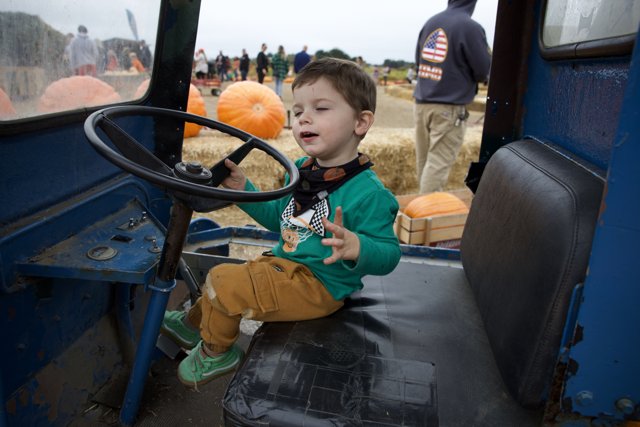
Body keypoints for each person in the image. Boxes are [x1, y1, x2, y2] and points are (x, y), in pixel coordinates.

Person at [160, 57, 401, 387]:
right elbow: (280, 219)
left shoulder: (368, 193)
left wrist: (357, 246)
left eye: (321, 108)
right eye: (299, 110)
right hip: (284, 264)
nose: (304, 118)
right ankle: (191, 325)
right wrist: (244, 189)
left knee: (222, 280)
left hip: (317, 285)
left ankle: (217, 352)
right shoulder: (305, 170)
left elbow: (390, 254)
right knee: (230, 278)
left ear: (360, 122)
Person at [413, 0, 491, 193]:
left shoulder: (431, 22)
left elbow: (418, 61)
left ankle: (418, 210)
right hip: (448, 106)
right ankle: (426, 215)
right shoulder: (470, 27)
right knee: (438, 164)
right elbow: (483, 69)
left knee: (424, 161)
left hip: (422, 101)